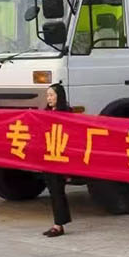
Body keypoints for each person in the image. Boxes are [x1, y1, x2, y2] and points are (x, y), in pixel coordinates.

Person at [42, 83, 72, 237]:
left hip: (61, 159)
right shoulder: (45, 113)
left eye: (52, 95)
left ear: (59, 97)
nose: (49, 98)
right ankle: (59, 223)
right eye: (47, 95)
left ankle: (58, 225)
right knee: (54, 191)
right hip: (48, 158)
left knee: (57, 191)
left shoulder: (66, 114)